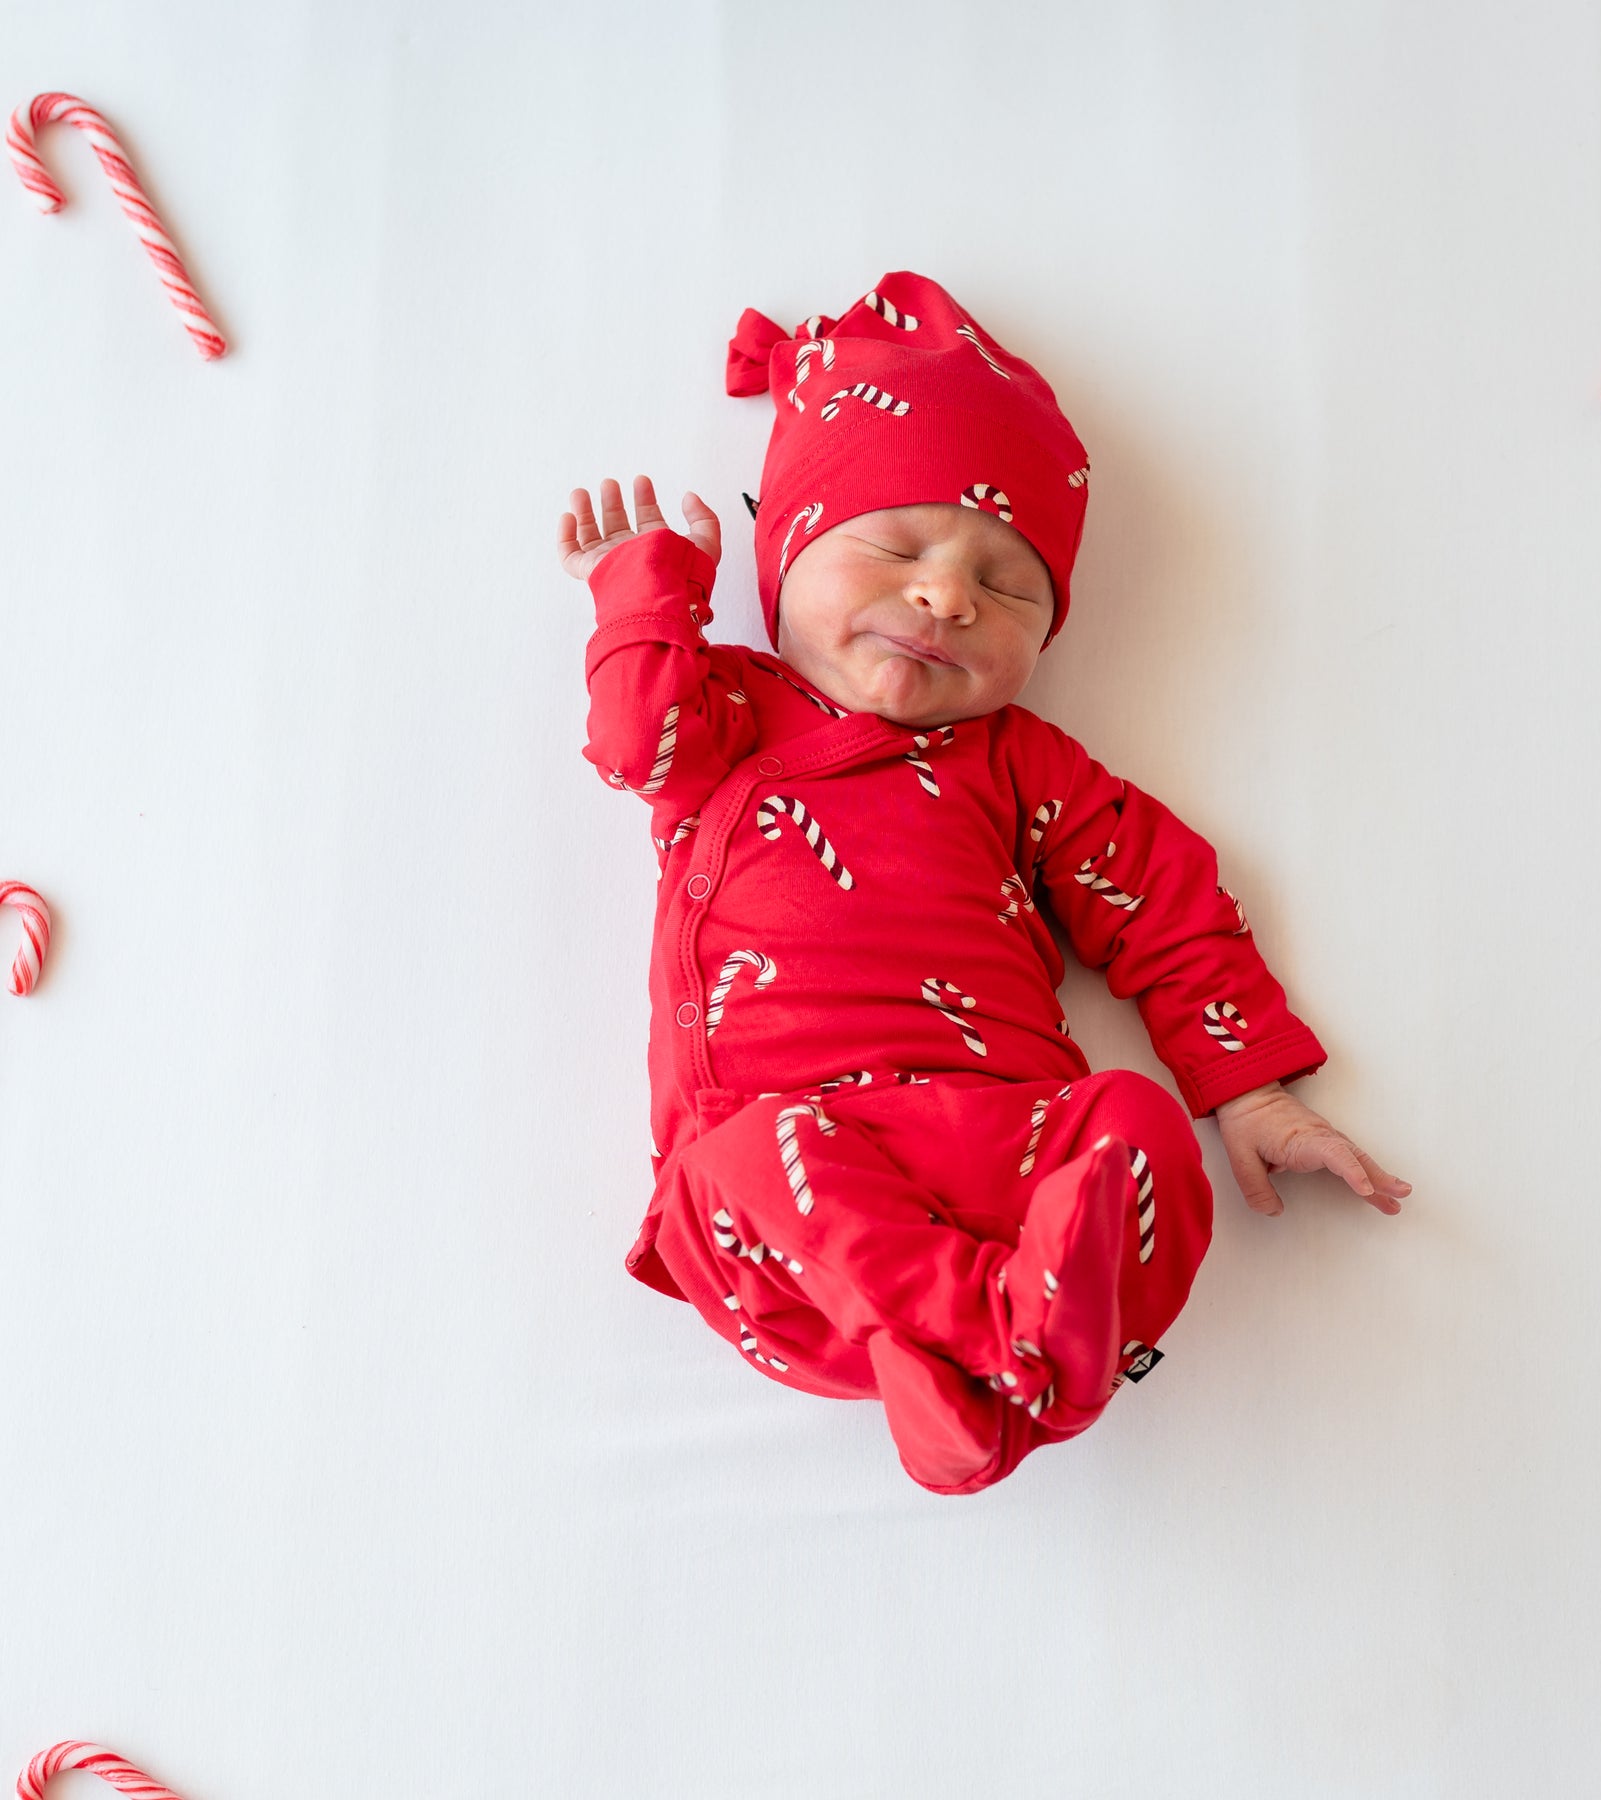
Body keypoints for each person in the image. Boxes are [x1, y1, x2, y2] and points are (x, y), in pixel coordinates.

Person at [558, 271, 1408, 1494]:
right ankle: (997, 1350)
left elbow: (1161, 900)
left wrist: (1251, 1093)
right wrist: (645, 592)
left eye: (1008, 588)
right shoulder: (730, 714)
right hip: (797, 1221)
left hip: (1007, 1165)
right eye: (897, 547)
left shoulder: (1020, 764)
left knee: (1134, 1122)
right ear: (783, 555)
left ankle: (982, 1352)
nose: (948, 595)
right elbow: (635, 744)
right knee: (744, 1160)